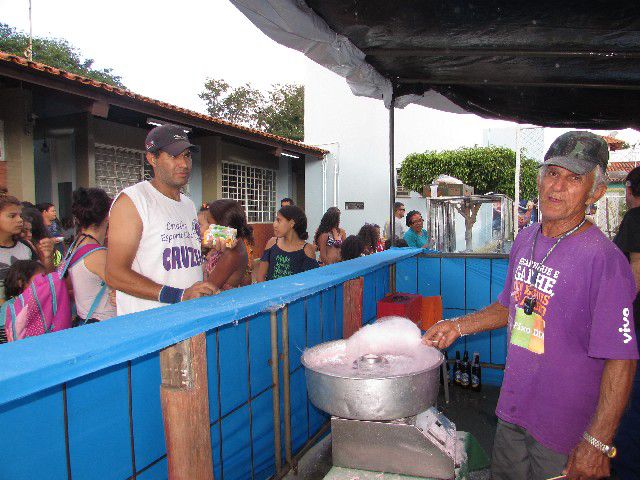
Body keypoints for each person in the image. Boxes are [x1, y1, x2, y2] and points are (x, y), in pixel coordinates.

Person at [423, 131, 638, 480]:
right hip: (513, 409)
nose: (557, 187)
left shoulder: (604, 260)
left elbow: (621, 359)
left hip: (566, 430)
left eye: (574, 178)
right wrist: (458, 326)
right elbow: (511, 306)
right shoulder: (527, 238)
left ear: (595, 192)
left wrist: (597, 442)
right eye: (552, 173)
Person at [105, 124, 217, 315]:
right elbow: (114, 274)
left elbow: (177, 257)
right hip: (152, 326)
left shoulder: (188, 205)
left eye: (187, 155)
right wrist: (178, 295)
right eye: (174, 156)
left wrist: (210, 249)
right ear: (152, 158)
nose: (184, 164)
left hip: (189, 318)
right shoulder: (133, 201)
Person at [612, 166, 640, 479]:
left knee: (629, 399)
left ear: (630, 189)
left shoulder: (636, 218)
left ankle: (626, 468)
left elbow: (636, 273)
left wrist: (617, 314)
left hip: (636, 321)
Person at [67, 187, 116, 326]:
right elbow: (125, 285)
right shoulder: (98, 255)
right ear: (107, 215)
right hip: (103, 324)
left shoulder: (77, 243)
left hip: (84, 318)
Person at [0, 196, 53, 304]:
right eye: (12, 216)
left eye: (20, 215)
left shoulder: (25, 246)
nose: (19, 220)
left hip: (25, 312)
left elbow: (44, 279)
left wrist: (47, 257)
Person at [256, 205, 318, 281]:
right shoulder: (272, 243)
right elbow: (260, 276)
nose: (274, 224)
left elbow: (311, 282)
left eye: (279, 220)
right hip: (270, 292)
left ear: (291, 223)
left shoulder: (307, 250)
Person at [204, 199, 253, 289]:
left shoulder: (232, 254)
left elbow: (207, 289)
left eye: (209, 222)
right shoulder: (229, 244)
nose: (206, 227)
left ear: (224, 228)